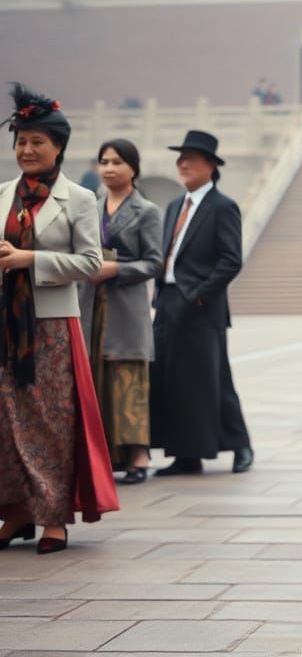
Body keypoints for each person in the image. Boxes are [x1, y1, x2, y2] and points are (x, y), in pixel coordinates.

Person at [0, 84, 118, 553]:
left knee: (51, 421)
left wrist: (28, 259)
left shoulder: (80, 199)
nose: (27, 150)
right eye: (21, 141)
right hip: (7, 325)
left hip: (51, 327)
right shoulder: (2, 195)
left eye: (37, 142)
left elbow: (90, 263)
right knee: (7, 422)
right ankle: (15, 512)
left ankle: (53, 517)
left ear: (59, 147)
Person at [150, 130, 253, 476]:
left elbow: (231, 260)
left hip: (200, 308)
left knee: (214, 379)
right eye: (180, 159)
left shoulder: (222, 207)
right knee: (173, 382)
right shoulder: (174, 206)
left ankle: (240, 445)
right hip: (166, 304)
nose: (183, 164)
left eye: (190, 159)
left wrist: (198, 295)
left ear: (210, 165)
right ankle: (186, 455)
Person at [78, 139, 162, 484]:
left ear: (133, 168)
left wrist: (116, 269)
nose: (109, 168)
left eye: (117, 162)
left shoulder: (147, 211)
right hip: (90, 304)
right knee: (95, 379)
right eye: (104, 162)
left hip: (126, 308)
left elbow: (154, 263)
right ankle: (103, 457)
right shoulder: (88, 208)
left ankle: (138, 456)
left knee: (128, 381)